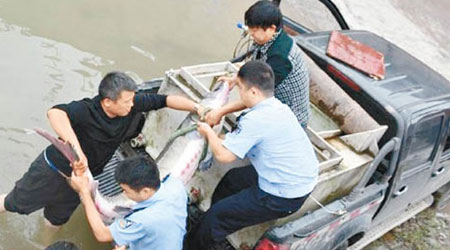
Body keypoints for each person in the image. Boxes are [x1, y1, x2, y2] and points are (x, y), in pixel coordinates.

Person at [0, 71, 202, 228]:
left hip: (82, 179)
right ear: (107, 102)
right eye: (126, 102)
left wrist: (198, 109)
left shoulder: (131, 105)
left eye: (132, 100)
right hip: (52, 170)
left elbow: (165, 100)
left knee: (57, 220)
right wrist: (77, 150)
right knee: (11, 203)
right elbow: (55, 113)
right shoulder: (87, 110)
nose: (132, 106)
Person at [191, 61, 319, 249]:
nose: (239, 93)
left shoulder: (256, 120)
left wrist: (209, 133)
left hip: (283, 196)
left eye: (240, 88)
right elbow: (243, 129)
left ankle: (200, 238)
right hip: (299, 178)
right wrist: (221, 113)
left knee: (216, 217)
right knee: (232, 180)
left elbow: (224, 157)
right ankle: (219, 221)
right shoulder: (276, 106)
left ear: (253, 92)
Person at [206, 0, 310, 128]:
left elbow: (256, 95)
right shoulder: (271, 38)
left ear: (271, 28)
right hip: (273, 100)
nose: (251, 34)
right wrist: (236, 79)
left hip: (289, 119)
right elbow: (256, 68)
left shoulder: (280, 58)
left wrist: (221, 111)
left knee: (242, 125)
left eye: (254, 31)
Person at [70, 155, 188, 250]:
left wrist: (84, 191)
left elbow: (102, 234)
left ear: (145, 191)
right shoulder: (175, 185)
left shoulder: (143, 220)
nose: (124, 194)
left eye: (126, 191)